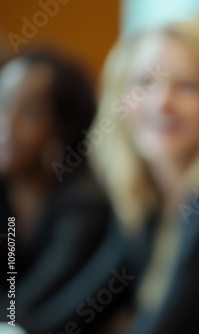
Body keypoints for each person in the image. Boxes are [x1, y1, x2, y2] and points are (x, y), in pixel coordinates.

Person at [89, 16, 199, 333]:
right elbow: (81, 304)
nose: (162, 102)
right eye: (144, 83)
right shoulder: (150, 198)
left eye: (187, 86)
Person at [0, 47, 113, 333]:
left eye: (30, 113)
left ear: (63, 129)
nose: (6, 125)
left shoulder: (86, 204)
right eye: (1, 103)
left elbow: (27, 308)